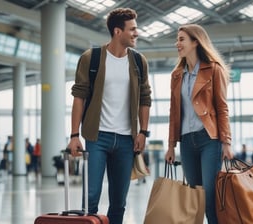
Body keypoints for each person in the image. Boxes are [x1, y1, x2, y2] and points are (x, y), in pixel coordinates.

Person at [67, 8, 151, 224]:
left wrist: (143, 132)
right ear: (117, 31)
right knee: (90, 199)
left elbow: (145, 98)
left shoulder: (139, 62)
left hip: (126, 140)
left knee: (119, 203)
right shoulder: (91, 58)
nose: (136, 33)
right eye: (132, 29)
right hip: (97, 137)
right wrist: (74, 135)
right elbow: (79, 97)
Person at [164, 24, 233, 224]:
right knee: (194, 200)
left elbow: (222, 108)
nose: (177, 44)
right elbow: (174, 112)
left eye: (181, 39)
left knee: (210, 198)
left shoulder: (214, 70)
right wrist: (171, 145)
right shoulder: (177, 75)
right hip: (186, 142)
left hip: (209, 140)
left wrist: (226, 143)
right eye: (177, 40)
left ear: (196, 42)